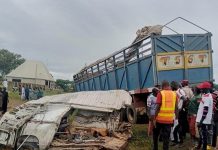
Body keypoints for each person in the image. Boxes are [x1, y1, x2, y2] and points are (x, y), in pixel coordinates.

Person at [153, 80, 178, 150]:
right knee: (166, 138)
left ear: (162, 86)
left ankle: (155, 148)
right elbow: (176, 108)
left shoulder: (160, 93)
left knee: (155, 135)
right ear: (168, 85)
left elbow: (158, 107)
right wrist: (176, 119)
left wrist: (154, 118)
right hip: (169, 120)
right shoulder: (174, 94)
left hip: (159, 120)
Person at [195, 82, 213, 150]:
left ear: (206, 88)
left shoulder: (208, 97)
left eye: (202, 89)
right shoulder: (205, 95)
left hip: (203, 120)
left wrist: (201, 121)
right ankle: (199, 146)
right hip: (201, 119)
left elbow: (206, 110)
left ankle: (204, 147)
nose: (201, 90)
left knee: (203, 134)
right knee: (201, 134)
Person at [170, 81, 186, 147]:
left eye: (171, 86)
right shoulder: (177, 91)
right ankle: (176, 141)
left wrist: (181, 108)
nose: (171, 87)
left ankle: (179, 141)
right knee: (175, 127)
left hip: (179, 112)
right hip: (176, 111)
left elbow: (184, 99)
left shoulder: (178, 91)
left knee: (177, 127)